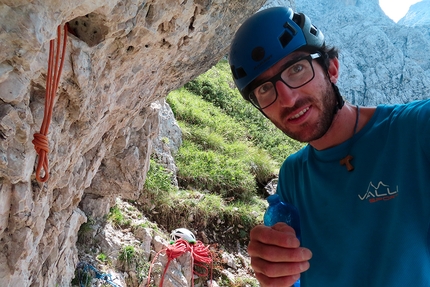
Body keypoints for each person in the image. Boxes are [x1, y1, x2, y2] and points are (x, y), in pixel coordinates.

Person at [229, 6, 430, 287]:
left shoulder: (415, 129)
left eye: (297, 69)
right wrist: (275, 271)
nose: (287, 99)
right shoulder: (293, 175)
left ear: (332, 68)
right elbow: (295, 276)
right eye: (264, 89)